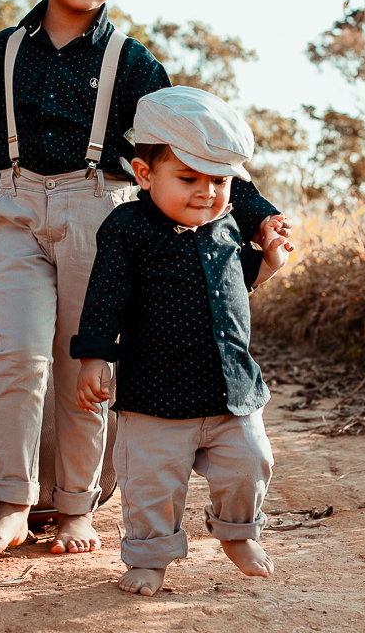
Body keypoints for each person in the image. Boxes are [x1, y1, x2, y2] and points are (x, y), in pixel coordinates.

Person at [0, 0, 288, 557]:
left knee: (85, 364)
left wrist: (259, 217)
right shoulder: (5, 51)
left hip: (94, 215)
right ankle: (13, 501)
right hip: (16, 210)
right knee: (17, 357)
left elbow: (191, 148)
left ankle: (76, 509)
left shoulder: (132, 63)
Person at [71, 86, 292, 596]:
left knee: (250, 463)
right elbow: (105, 298)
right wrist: (94, 359)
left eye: (218, 180)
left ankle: (238, 533)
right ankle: (150, 559)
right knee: (151, 484)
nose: (205, 192)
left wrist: (270, 263)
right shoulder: (128, 227)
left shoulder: (227, 225)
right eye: (187, 178)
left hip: (230, 389)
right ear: (145, 174)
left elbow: (234, 282)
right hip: (155, 394)